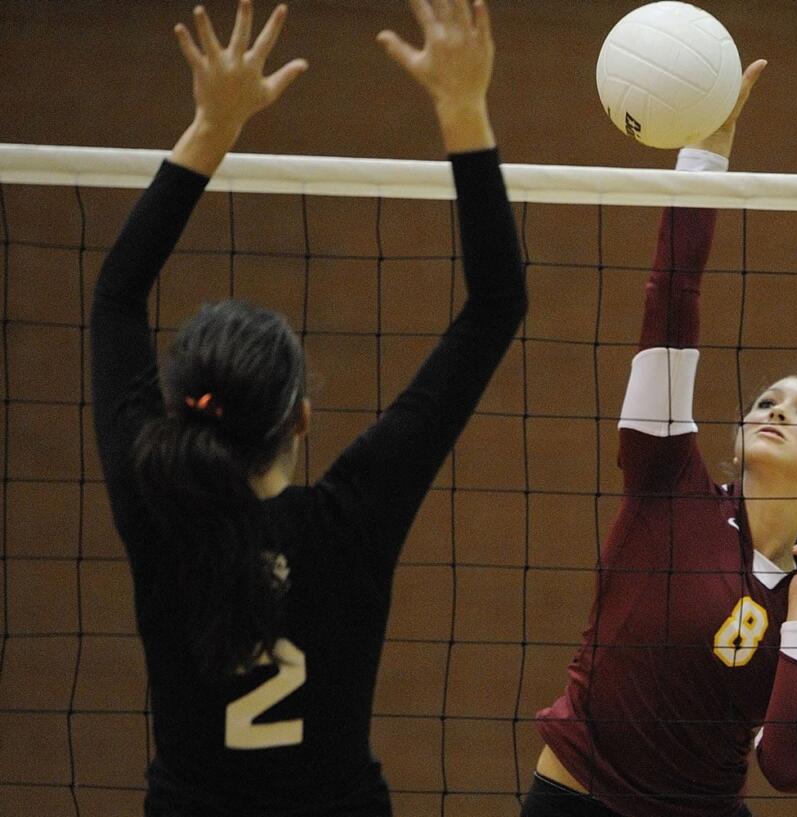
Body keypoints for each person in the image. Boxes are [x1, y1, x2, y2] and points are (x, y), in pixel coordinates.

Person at [89, 1, 525, 814]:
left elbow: (115, 298)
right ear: (300, 418)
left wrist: (211, 125)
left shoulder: (156, 504)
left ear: (185, 410)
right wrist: (463, 106)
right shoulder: (349, 519)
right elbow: (498, 302)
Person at [527, 61, 797, 817]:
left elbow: (791, 765)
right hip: (578, 801)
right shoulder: (665, 479)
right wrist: (706, 157)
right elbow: (671, 295)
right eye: (767, 401)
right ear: (739, 437)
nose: (775, 411)